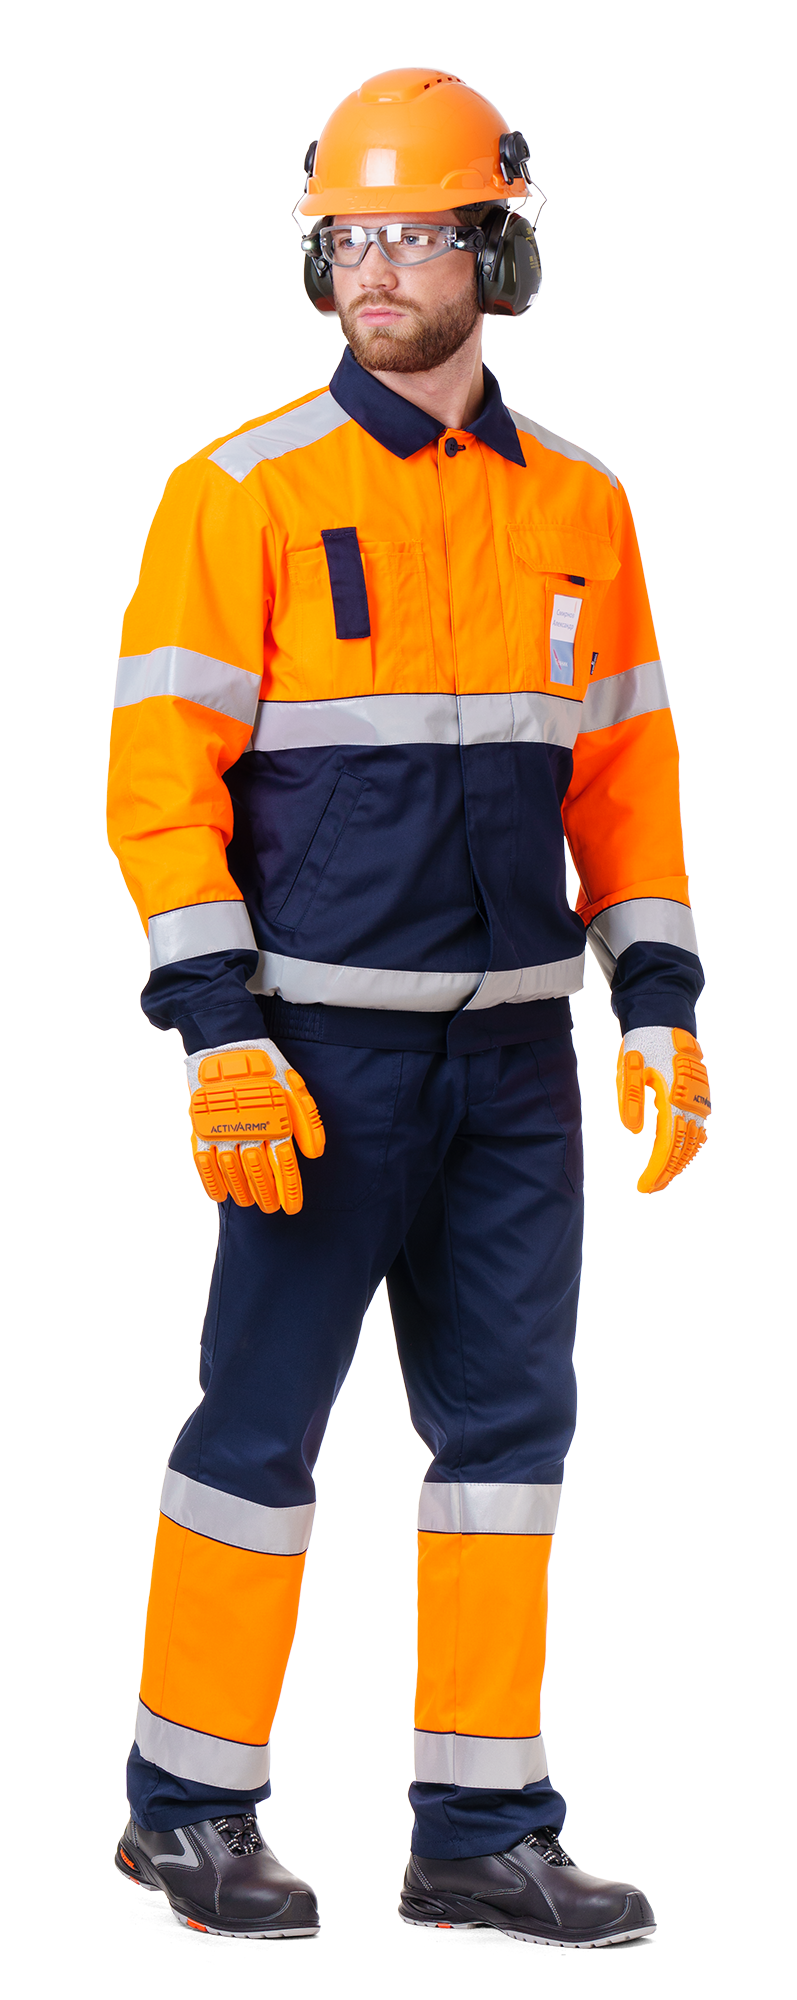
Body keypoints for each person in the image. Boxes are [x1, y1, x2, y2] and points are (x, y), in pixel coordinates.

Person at [108, 69, 710, 1950]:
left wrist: (662, 1004)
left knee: (511, 1448)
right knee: (260, 1433)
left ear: (499, 253)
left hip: (519, 1065)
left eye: (418, 234)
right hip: (319, 1063)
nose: (376, 269)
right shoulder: (244, 495)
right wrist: (220, 1030)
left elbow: (625, 780)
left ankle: (482, 1839)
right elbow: (157, 786)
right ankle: (186, 1816)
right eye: (348, 238)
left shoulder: (582, 511)